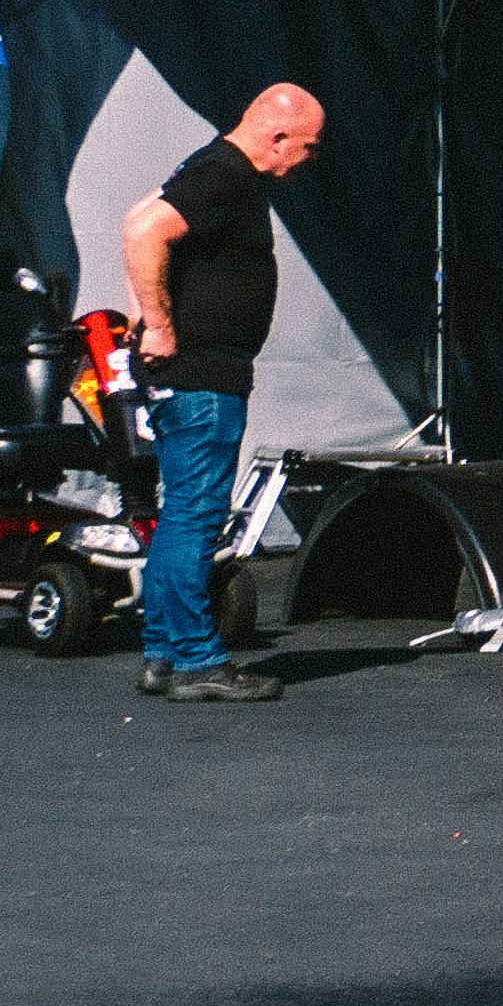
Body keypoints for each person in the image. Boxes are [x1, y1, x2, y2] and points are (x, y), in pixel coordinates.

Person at [119, 82, 321, 704]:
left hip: (197, 373)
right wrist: (155, 323)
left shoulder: (211, 166)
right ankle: (197, 661)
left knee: (180, 510)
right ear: (277, 135)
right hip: (200, 376)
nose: (308, 159)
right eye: (306, 147)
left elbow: (134, 217)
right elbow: (146, 230)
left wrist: (147, 319)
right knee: (194, 515)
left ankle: (161, 654)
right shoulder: (225, 173)